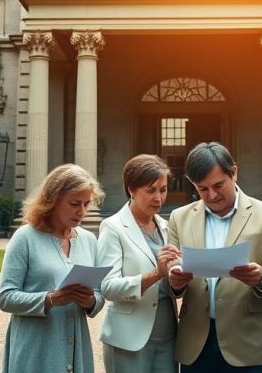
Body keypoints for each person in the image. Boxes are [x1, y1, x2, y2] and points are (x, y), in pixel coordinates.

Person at [167, 142, 262, 372]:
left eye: (218, 185)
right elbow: (173, 270)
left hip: (249, 344)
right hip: (195, 345)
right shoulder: (179, 217)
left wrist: (261, 276)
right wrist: (175, 282)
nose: (212, 195)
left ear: (234, 172)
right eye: (202, 189)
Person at [0, 164, 106, 373]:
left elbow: (99, 295)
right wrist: (51, 299)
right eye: (75, 203)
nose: (81, 212)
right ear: (53, 199)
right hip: (35, 350)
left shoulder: (89, 240)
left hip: (76, 348)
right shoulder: (25, 237)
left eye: (86, 204)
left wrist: (91, 301)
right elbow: (5, 297)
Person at [97, 154, 182, 373]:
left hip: (169, 336)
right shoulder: (112, 227)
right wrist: (156, 273)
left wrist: (179, 279)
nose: (159, 198)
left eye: (162, 189)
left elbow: (172, 284)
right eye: (151, 190)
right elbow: (107, 287)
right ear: (131, 189)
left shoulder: (166, 225)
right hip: (128, 339)